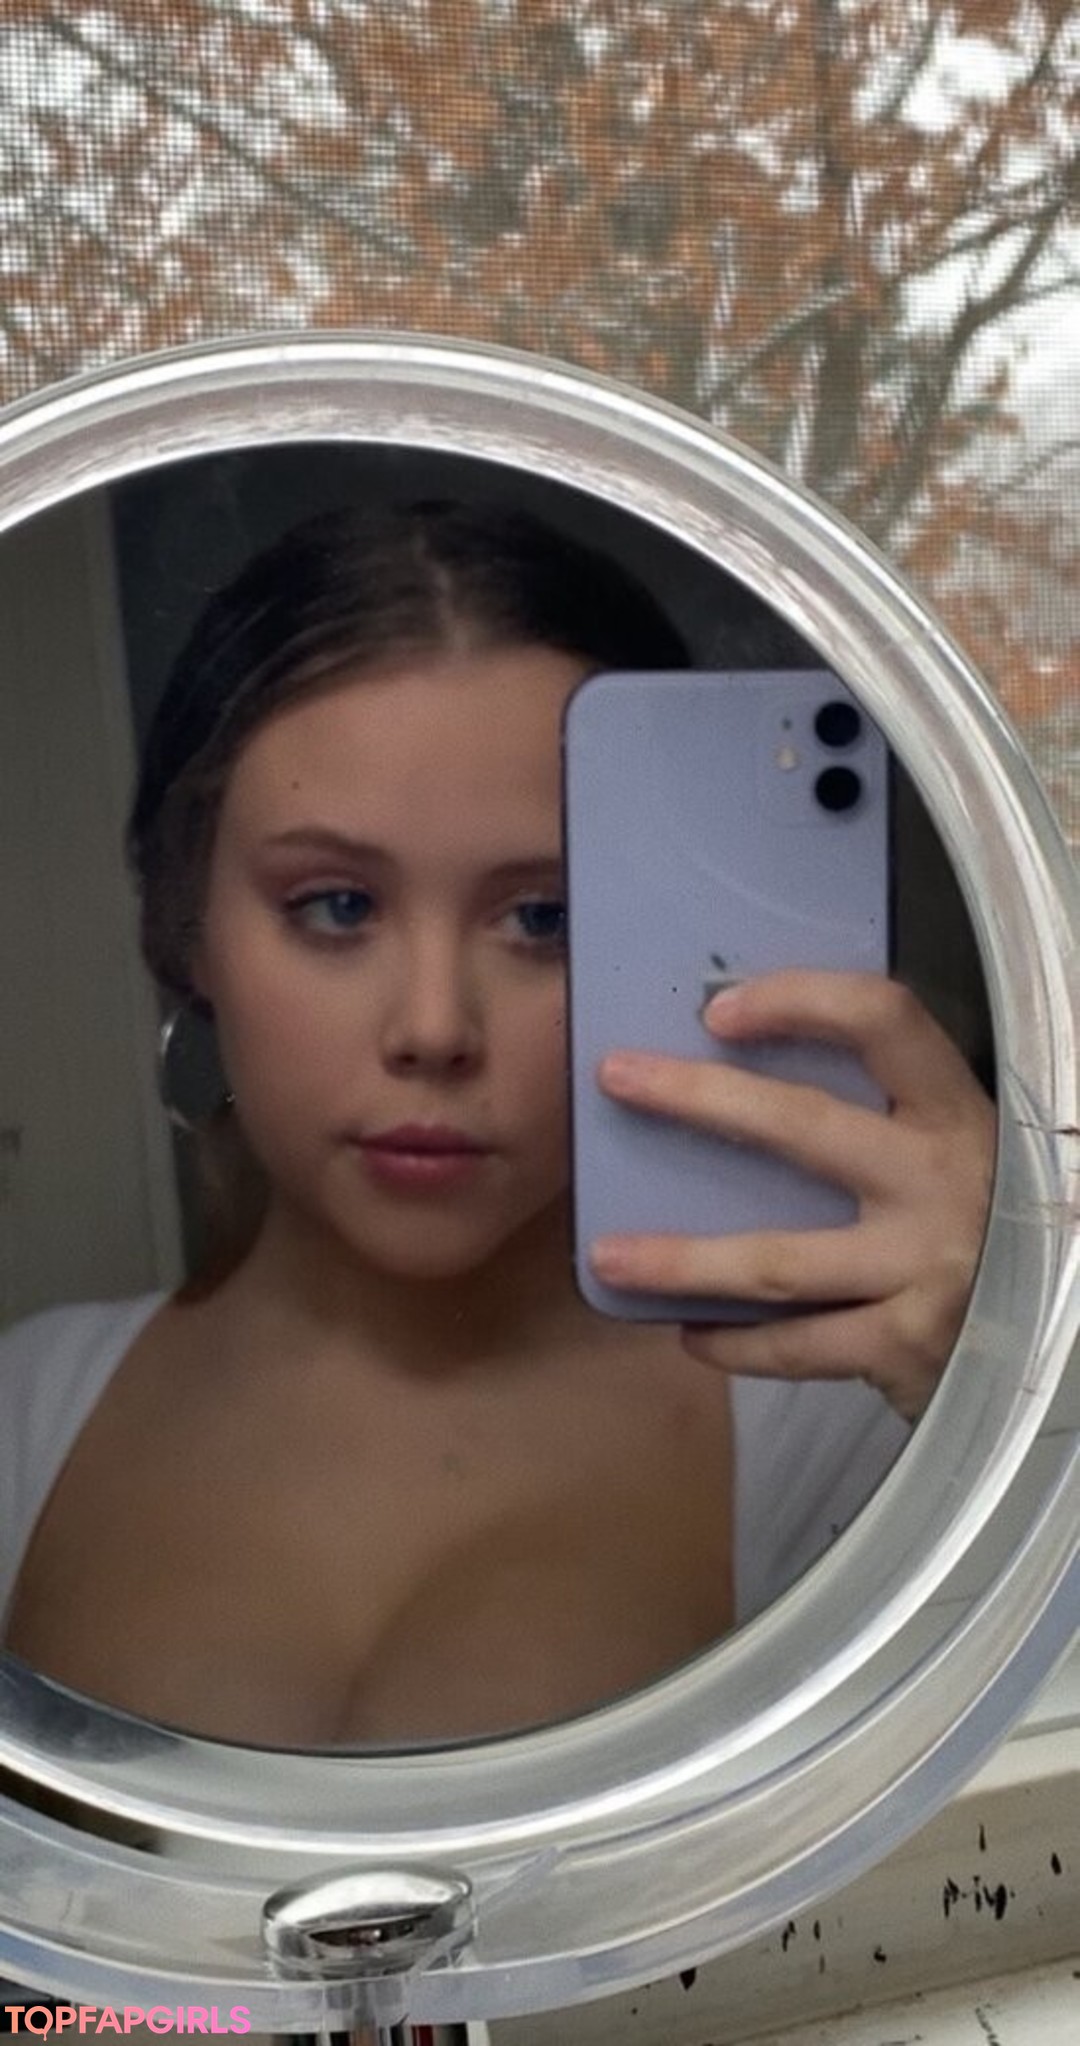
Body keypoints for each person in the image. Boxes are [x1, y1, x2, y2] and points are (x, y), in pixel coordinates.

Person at [0, 500, 995, 1747]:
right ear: (185, 930)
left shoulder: (852, 1407)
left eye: (543, 920)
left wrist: (1022, 1371)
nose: (434, 1028)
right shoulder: (27, 1414)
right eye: (336, 905)